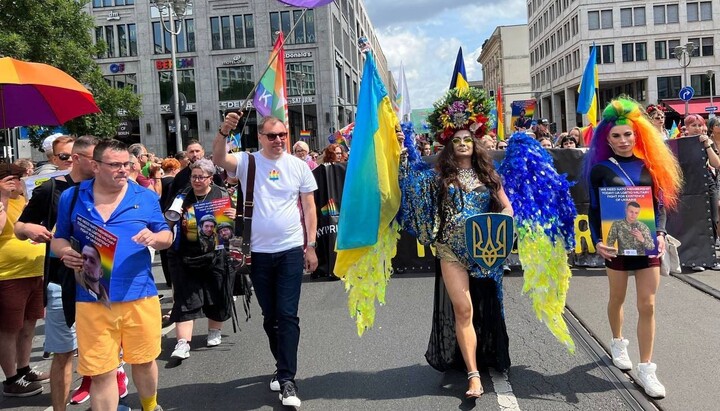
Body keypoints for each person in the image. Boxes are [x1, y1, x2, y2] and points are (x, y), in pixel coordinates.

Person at [400, 87, 513, 399]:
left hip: (485, 251)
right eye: (457, 140)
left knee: (486, 307)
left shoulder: (489, 175)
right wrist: (403, 154)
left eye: (468, 140)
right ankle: (473, 375)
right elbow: (412, 190)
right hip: (452, 251)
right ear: (449, 145)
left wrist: (505, 221)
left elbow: (507, 206)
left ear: (475, 143)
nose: (463, 144)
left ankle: (487, 355)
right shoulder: (439, 177)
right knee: (463, 310)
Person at [51, 139, 172, 411]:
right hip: (92, 298)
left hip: (139, 295)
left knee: (143, 361)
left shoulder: (145, 196)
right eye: (115, 165)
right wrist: (64, 252)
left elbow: (167, 235)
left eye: (127, 164)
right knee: (102, 372)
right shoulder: (72, 197)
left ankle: (150, 406)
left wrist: (155, 237)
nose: (123, 170)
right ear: (95, 166)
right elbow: (58, 239)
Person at [213, 113, 318, 409]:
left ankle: (287, 378)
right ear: (260, 137)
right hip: (256, 253)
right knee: (270, 316)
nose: (278, 140)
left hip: (289, 251)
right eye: (272, 136)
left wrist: (310, 246)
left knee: (287, 315)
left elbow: (309, 209)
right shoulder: (248, 161)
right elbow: (219, 158)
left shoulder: (299, 166)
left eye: (282, 134)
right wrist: (224, 130)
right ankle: (280, 363)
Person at [13, 136, 122, 407]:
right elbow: (20, 226)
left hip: (101, 280)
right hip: (62, 282)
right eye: (94, 159)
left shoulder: (109, 188)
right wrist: (29, 229)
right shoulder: (51, 189)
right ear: (77, 158)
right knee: (62, 352)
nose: (100, 165)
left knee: (103, 352)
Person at [585, 98, 683, 399]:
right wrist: (597, 241)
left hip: (647, 243)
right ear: (607, 138)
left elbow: (659, 205)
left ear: (637, 134)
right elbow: (594, 210)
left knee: (648, 304)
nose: (623, 140)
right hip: (615, 245)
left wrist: (662, 233)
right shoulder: (600, 170)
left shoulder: (650, 166)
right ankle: (617, 341)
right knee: (617, 298)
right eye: (616, 136)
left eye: (628, 134)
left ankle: (646, 368)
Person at [168, 158, 236, 359]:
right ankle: (182, 343)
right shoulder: (182, 196)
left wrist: (233, 214)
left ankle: (214, 330)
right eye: (194, 176)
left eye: (201, 177)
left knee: (217, 292)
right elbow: (167, 221)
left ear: (210, 178)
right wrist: (173, 216)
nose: (196, 180)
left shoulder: (220, 194)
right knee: (185, 298)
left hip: (215, 255)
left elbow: (229, 226)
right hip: (186, 254)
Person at [0, 162, 48, 398]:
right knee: (9, 328)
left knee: (29, 324)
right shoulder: (3, 202)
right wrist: (2, 197)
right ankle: (10, 379)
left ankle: (24, 368)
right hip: (8, 274)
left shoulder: (23, 200)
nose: (20, 182)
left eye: (21, 178)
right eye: (15, 179)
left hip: (33, 270)